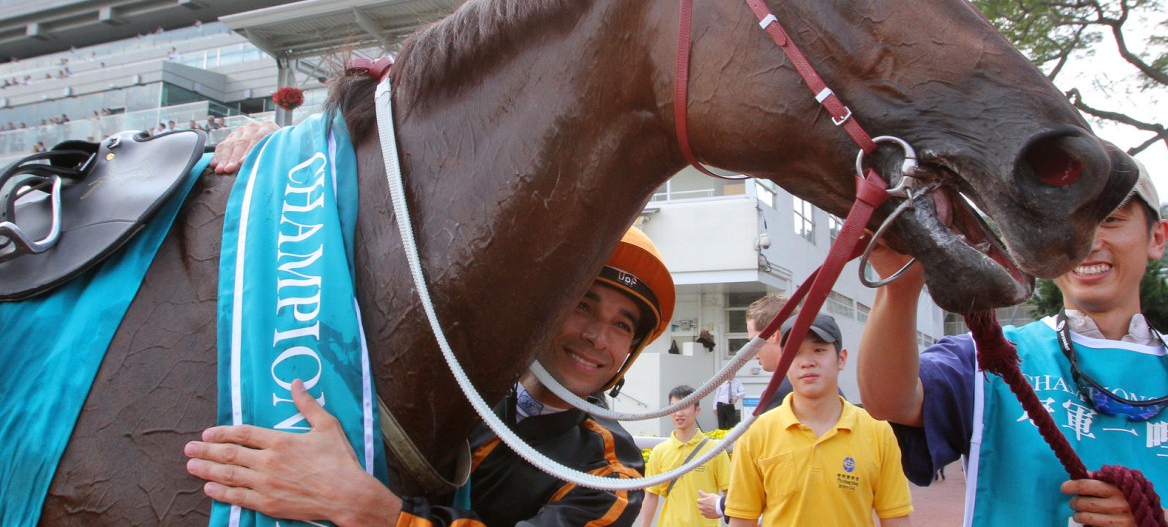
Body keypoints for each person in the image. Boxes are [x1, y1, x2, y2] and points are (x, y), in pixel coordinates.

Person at [185, 225, 676, 527]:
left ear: (628, 352)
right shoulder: (450, 372)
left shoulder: (613, 474)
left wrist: (370, 512)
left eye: (621, 325)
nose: (596, 335)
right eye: (583, 304)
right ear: (541, 312)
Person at [858, 160, 1168, 527]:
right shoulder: (989, 357)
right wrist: (898, 288)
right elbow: (891, 400)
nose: (1088, 239)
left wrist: (1158, 519)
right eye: (1066, 222)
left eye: (1111, 218)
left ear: (1158, 237)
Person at [724, 313, 913, 526]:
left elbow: (895, 517)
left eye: (819, 350)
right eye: (794, 353)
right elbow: (742, 519)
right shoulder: (756, 434)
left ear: (841, 359)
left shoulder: (878, 431)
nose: (807, 362)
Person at [696, 293, 792, 522]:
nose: (750, 351)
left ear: (774, 336)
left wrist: (722, 506)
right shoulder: (799, 389)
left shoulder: (786, 395)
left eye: (753, 340)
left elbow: (775, 478)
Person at [640, 385, 731, 527]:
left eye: (685, 406)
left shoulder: (715, 450)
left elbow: (731, 495)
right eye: (674, 407)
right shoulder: (659, 451)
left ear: (697, 410)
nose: (678, 413)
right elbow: (651, 495)